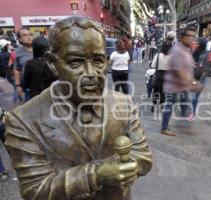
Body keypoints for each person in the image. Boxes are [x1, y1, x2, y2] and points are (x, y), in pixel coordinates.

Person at [5, 16, 152, 200]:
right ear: (52, 63)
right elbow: (34, 188)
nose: (91, 74)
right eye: (75, 62)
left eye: (98, 61)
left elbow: (143, 157)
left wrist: (130, 166)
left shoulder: (124, 103)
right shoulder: (23, 120)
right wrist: (95, 175)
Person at [160, 27, 203, 136]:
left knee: (186, 106)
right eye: (189, 36)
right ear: (182, 37)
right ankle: (164, 128)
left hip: (183, 86)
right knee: (169, 106)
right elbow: (178, 71)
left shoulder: (186, 50)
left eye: (193, 37)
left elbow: (188, 65)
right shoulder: (177, 50)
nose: (192, 39)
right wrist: (193, 82)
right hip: (173, 86)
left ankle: (187, 127)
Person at [189, 37, 209, 121]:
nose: (195, 44)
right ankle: (193, 110)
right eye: (195, 42)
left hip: (199, 78)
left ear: (201, 45)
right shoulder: (196, 52)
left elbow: (201, 69)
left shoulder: (203, 54)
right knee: (194, 97)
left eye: (197, 43)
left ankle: (193, 114)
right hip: (194, 77)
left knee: (194, 97)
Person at [151, 40, 172, 111]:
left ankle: (153, 106)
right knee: (163, 91)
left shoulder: (158, 55)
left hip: (158, 74)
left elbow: (153, 65)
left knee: (156, 90)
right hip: (167, 75)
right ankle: (162, 106)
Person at [14, 28, 33, 101]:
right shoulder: (18, 52)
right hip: (28, 87)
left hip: (43, 85)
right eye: (25, 35)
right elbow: (17, 69)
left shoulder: (39, 47)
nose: (29, 37)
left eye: (30, 34)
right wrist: (18, 85)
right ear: (20, 39)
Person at [0, 106, 8, 182]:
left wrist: (3, 115)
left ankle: (19, 164)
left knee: (9, 145)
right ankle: (2, 171)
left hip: (1, 124)